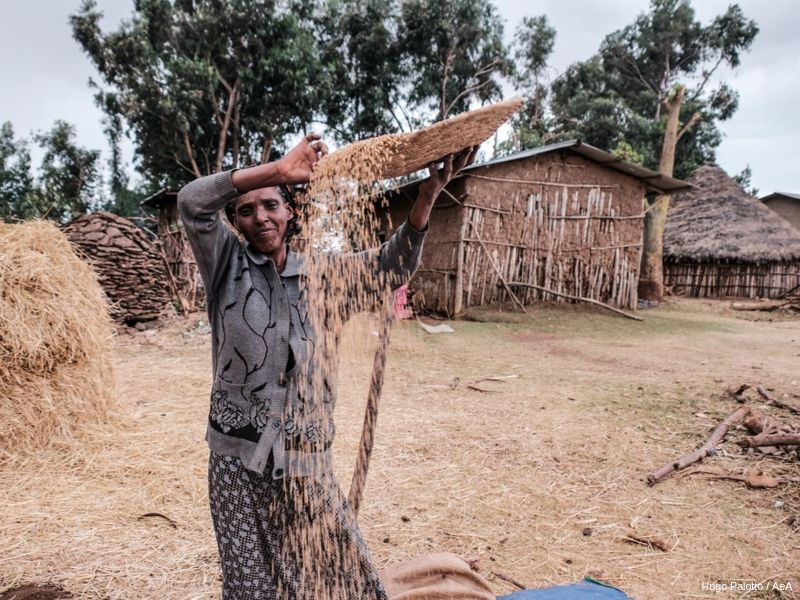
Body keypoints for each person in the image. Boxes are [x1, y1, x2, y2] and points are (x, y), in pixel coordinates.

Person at [177, 133, 477, 599]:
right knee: (251, 586)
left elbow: (391, 266)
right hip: (238, 462)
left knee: (342, 575)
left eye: (272, 205)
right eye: (246, 210)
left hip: (305, 461)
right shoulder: (225, 266)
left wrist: (426, 197)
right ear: (234, 221)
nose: (260, 217)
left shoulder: (325, 276)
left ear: (291, 212)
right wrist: (278, 170)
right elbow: (191, 200)